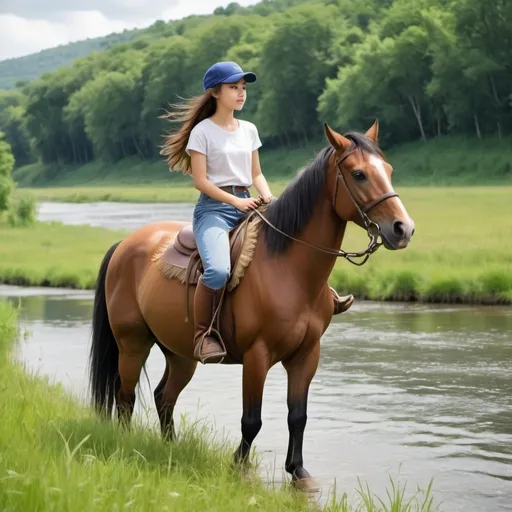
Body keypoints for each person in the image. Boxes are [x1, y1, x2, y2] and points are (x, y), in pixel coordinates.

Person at [161, 61, 353, 365]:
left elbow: (256, 173)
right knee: (219, 270)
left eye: (243, 88)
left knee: (296, 243)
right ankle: (204, 333)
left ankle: (324, 295)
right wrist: (235, 203)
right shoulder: (202, 132)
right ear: (215, 93)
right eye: (233, 88)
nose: (240, 94)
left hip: (250, 203)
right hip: (214, 211)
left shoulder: (248, 130)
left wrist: (267, 195)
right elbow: (201, 181)